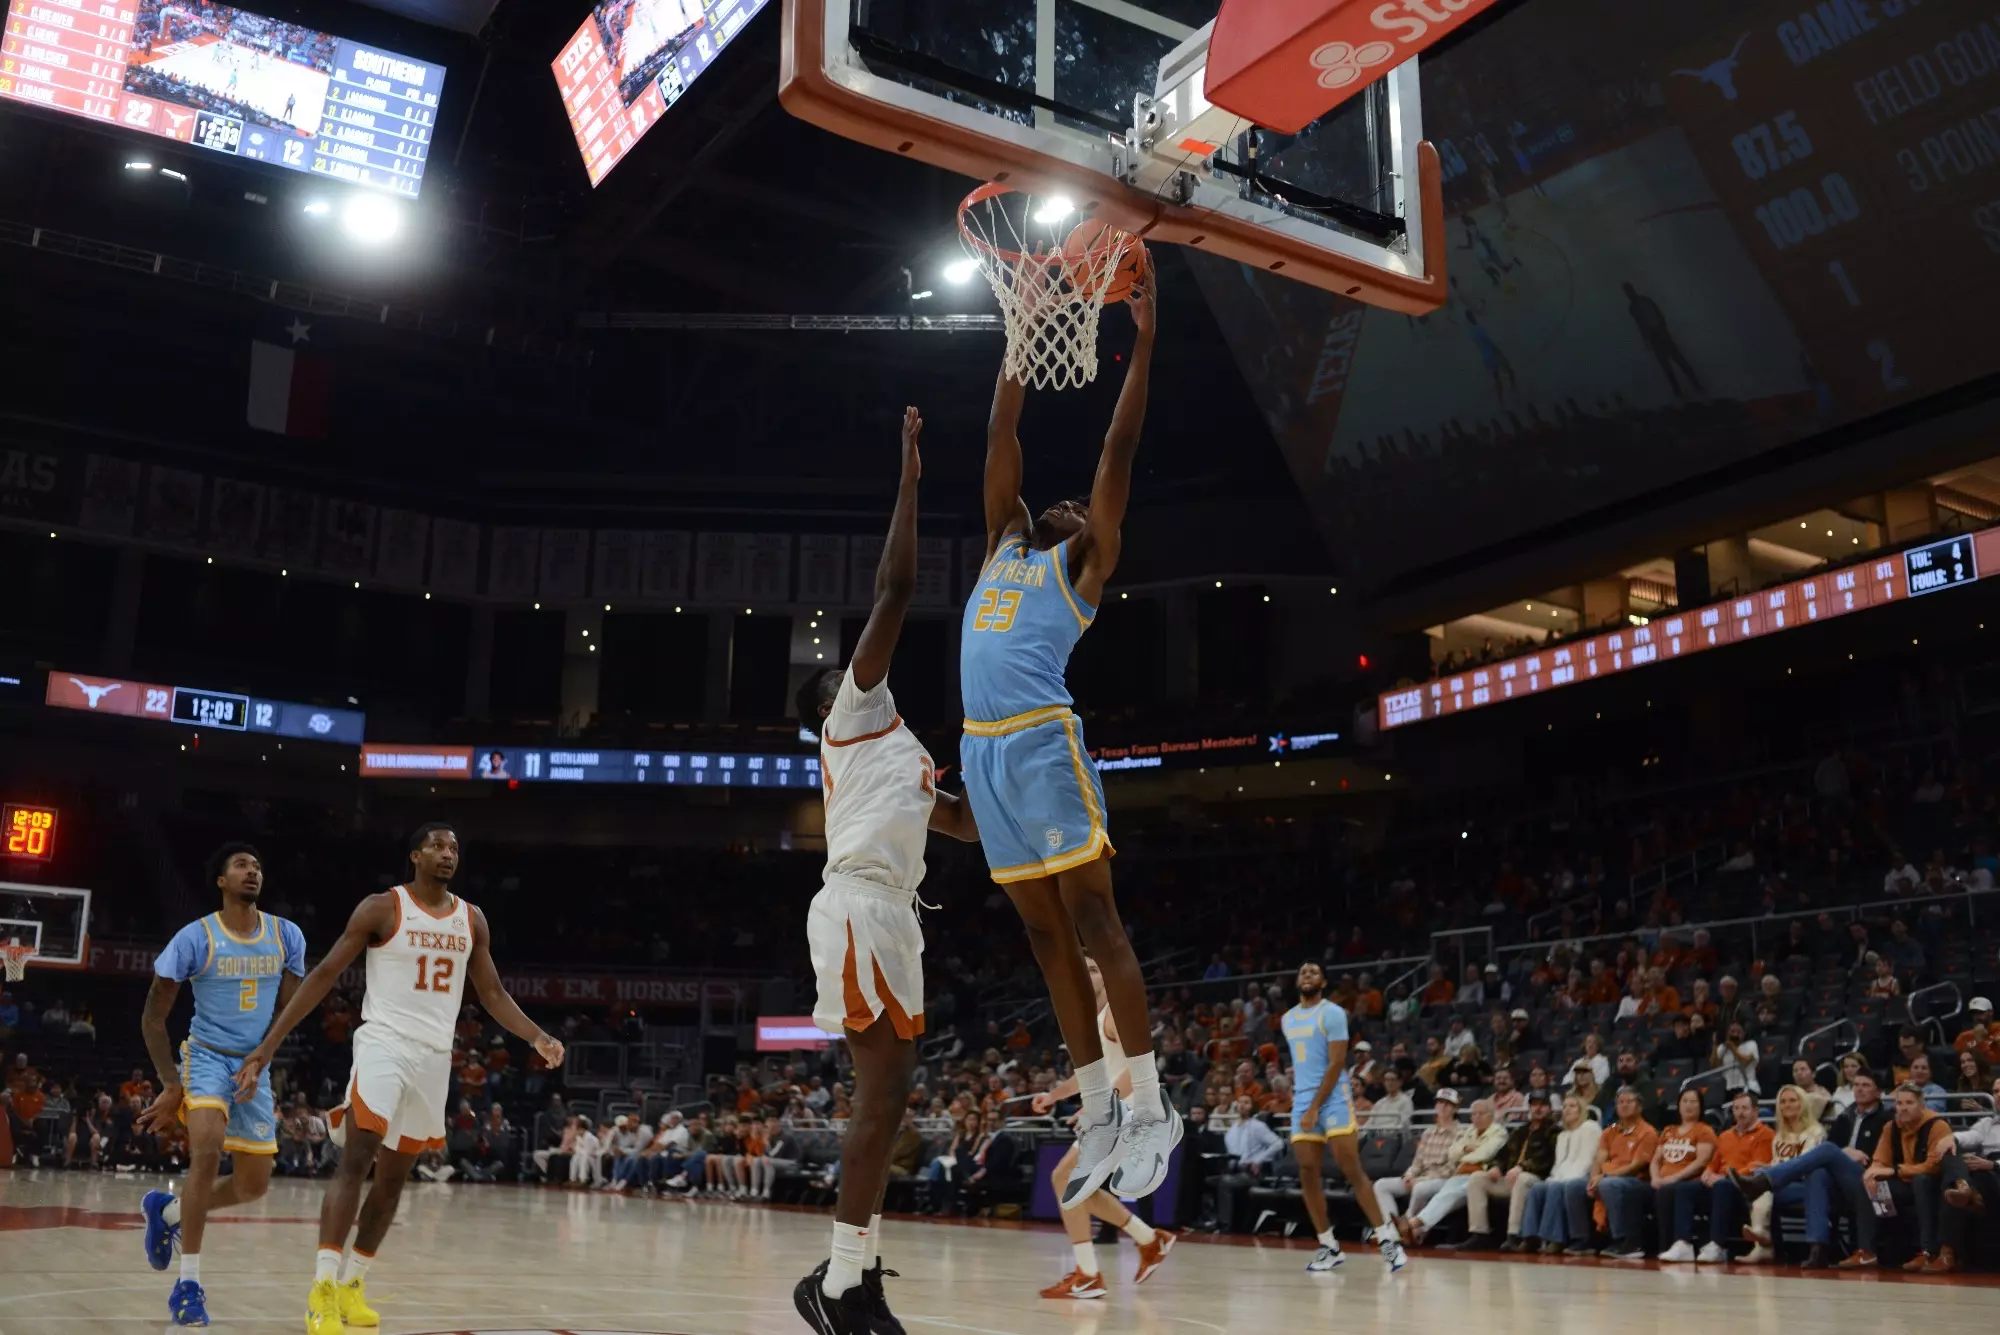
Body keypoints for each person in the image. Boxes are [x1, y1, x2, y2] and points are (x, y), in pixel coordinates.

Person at [962, 268, 1181, 1210]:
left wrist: (1147, 340)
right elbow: (1002, 434)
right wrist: (1025, 326)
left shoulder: (1084, 566)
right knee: (1045, 939)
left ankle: (1153, 1108)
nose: (1066, 501)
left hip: (1044, 742)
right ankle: (1097, 1107)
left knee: (1094, 924)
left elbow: (1118, 444)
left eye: (1080, 505)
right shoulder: (1002, 543)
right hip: (981, 749)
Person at [793, 406, 982, 1335]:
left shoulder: (904, 746)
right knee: (880, 1095)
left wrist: (1010, 747)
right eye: (840, 674)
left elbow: (969, 829)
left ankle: (854, 1273)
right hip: (861, 905)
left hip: (898, 910)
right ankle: (835, 1283)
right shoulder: (855, 714)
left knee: (896, 1093)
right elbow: (898, 586)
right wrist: (911, 479)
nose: (852, 672)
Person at [232, 824, 566, 1335]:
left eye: (454, 847)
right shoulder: (381, 908)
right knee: (358, 1157)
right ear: (415, 855)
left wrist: (538, 1037)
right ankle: (321, 1289)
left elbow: (493, 994)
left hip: (435, 1056)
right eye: (437, 845)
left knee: (393, 1178)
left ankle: (352, 1284)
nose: (447, 853)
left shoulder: (472, 919)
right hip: (384, 1043)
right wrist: (269, 1045)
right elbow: (323, 976)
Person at [134, 843, 306, 1327]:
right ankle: (188, 1286)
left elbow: (289, 1012)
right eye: (241, 864)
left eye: (258, 864)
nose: (253, 870)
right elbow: (152, 1016)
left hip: (255, 1062)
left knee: (253, 1185)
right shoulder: (196, 938)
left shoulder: (286, 935)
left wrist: (264, 1056)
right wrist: (171, 1083)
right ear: (221, 881)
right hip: (207, 1057)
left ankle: (167, 1214)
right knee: (206, 1149)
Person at [1029, 958, 1174, 1299]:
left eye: (1095, 968)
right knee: (1081, 1189)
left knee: (1064, 1180)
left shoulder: (1114, 1012)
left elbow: (1142, 1066)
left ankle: (1091, 1273)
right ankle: (1150, 1241)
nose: (1086, 974)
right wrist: (1053, 1095)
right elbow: (1088, 1075)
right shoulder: (1092, 1018)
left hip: (1130, 1109)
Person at [1284, 962, 1407, 1272]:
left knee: (1350, 1168)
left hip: (1334, 1100)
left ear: (1323, 981)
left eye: (1313, 971)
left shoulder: (1333, 1013)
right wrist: (1304, 1102)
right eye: (1303, 972)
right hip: (1302, 1100)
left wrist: (1314, 1107)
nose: (1307, 975)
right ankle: (1328, 1244)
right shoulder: (1287, 1019)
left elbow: (1337, 1063)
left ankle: (1386, 1239)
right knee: (1307, 1170)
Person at [1730, 1068, 1890, 1269]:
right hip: (1838, 1184)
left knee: (1828, 1150)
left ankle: (1765, 1181)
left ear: (1878, 1092)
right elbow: (1827, 1156)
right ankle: (1818, 1249)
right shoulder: (1845, 1118)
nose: (1859, 1089)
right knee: (1818, 1173)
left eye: (1866, 1085)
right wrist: (1843, 1152)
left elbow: (1884, 1157)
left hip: (1868, 1179)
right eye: (1856, 1085)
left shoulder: (1886, 1119)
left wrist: (1848, 1154)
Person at [1673, 1090, 1773, 1263]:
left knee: (1722, 1186)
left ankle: (1717, 1245)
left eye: (1745, 1108)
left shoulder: (1766, 1134)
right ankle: (1684, 1244)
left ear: (1755, 1111)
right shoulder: (1725, 1135)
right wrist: (1709, 1172)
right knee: (1684, 1188)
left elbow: (1757, 1167)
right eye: (1736, 1108)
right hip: (1720, 1184)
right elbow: (1715, 1161)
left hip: (1745, 1188)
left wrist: (1728, 1176)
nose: (1740, 1113)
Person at [1863, 1083, 1954, 1271]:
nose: (1903, 1108)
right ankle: (1871, 1251)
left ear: (1922, 1106)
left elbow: (1932, 1167)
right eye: (1899, 1103)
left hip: (1934, 1183)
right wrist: (1872, 1172)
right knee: (1873, 1185)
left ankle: (1929, 1251)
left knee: (1921, 1181)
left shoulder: (1937, 1125)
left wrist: (1896, 1171)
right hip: (1905, 1182)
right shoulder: (1891, 1127)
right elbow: (1880, 1159)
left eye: (1909, 1103)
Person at [1455, 1089, 1559, 1251]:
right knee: (1477, 1178)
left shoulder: (1554, 1131)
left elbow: (1548, 1159)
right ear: (1529, 1108)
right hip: (1511, 1179)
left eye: (1542, 1105)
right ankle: (1480, 1234)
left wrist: (1521, 1167)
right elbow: (1503, 1154)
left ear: (1549, 1108)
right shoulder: (1521, 1131)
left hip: (1536, 1180)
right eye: (1534, 1105)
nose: (1538, 1109)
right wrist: (1496, 1167)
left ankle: (1514, 1235)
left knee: (1522, 1178)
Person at [1397, 1097, 1508, 1247]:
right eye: (1473, 1114)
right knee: (1443, 1196)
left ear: (1491, 1115)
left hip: (1482, 1176)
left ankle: (1412, 1223)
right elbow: (1451, 1153)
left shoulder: (1499, 1132)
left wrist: (1464, 1153)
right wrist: (1464, 1149)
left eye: (1480, 1114)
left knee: (1450, 1195)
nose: (1476, 1117)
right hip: (1461, 1173)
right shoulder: (1471, 1130)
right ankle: (1416, 1231)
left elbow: (1484, 1154)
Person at [1740, 1084, 1827, 1266]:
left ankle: (1762, 1238)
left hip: (1806, 1186)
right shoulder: (1780, 1136)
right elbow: (1777, 1163)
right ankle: (1763, 1246)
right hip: (1781, 1185)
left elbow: (1803, 1165)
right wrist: (1766, 1167)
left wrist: (1770, 1172)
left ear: (1802, 1103)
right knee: (1759, 1182)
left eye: (1793, 1100)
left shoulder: (1816, 1132)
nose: (1787, 1105)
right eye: (1783, 1102)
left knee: (1763, 1185)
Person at [1374, 1086, 1470, 1234]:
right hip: (1421, 1178)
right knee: (1381, 1185)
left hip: (1442, 1180)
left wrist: (1421, 1180)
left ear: (1455, 1109)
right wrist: (1410, 1175)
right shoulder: (1428, 1132)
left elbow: (1452, 1168)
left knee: (1421, 1188)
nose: (1442, 1107)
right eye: (1439, 1103)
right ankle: (1391, 1227)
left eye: (1447, 1104)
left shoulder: (1462, 1133)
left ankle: (1409, 1225)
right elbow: (1417, 1162)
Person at [1520, 1094, 1602, 1254]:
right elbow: (1559, 1164)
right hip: (1563, 1177)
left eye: (1572, 1106)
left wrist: (1560, 1180)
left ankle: (1555, 1239)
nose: (1567, 1110)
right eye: (1564, 1106)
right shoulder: (1563, 1135)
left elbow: (1587, 1160)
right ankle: (1530, 1237)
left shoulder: (1590, 1128)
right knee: (1538, 1188)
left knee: (1556, 1187)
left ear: (1581, 1110)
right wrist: (1555, 1178)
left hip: (1584, 1176)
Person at [1589, 1087, 1662, 1259]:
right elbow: (1599, 1159)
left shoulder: (1648, 1132)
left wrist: (1605, 1177)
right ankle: (1582, 1240)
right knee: (1574, 1186)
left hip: (1637, 1181)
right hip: (1608, 1176)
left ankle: (1621, 1239)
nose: (1624, 1105)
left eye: (1629, 1102)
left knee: (1609, 1185)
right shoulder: (1609, 1132)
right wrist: (1593, 1179)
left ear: (1639, 1107)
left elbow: (1636, 1166)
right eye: (1620, 1102)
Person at [1647, 1088, 1719, 1262]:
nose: (1688, 1105)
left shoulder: (1704, 1130)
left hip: (1689, 1182)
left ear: (1701, 1106)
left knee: (1669, 1191)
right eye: (1685, 1101)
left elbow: (1701, 1162)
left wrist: (1673, 1178)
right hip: (1663, 1181)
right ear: (1678, 1106)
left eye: (1693, 1101)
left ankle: (1670, 1245)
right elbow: (1655, 1160)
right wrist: (1655, 1178)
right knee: (1637, 1192)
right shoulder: (1668, 1131)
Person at [1939, 1075, 2000, 1271]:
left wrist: (1993, 1165)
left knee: (1979, 1171)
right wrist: (1950, 1137)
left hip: (1995, 1169)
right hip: (1982, 1169)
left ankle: (1970, 1193)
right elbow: (1969, 1136)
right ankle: (1964, 1188)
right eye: (1996, 1092)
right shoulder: (1987, 1123)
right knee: (1952, 1150)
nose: (1998, 1095)